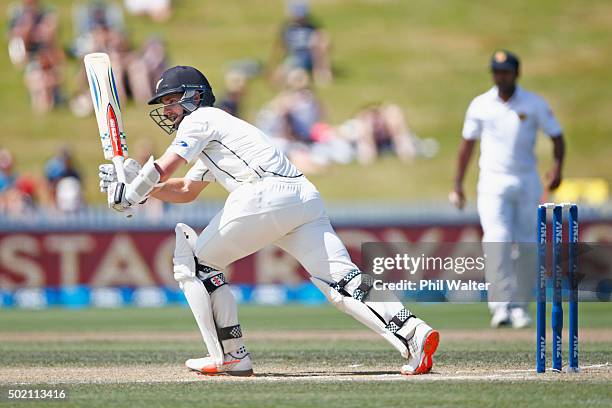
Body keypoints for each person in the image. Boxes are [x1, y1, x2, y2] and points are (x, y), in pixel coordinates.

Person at [98, 65, 439, 376]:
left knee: (194, 264)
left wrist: (132, 190)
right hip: (302, 196)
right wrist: (142, 189)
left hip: (265, 193)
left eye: (172, 100)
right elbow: (186, 188)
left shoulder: (200, 120)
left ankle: (229, 355)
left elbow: (164, 166)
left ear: (195, 95)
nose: (168, 109)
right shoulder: (221, 129)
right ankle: (414, 332)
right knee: (343, 281)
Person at [450, 50, 565, 328]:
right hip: (492, 180)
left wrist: (557, 169)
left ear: (516, 73)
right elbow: (467, 145)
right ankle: (500, 305)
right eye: (496, 72)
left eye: (505, 72)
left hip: (526, 179)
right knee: (497, 239)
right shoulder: (480, 105)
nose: (500, 77)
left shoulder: (533, 103)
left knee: (527, 243)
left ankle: (520, 306)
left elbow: (557, 137)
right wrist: (457, 183)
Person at [268, 0, 332, 86]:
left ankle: (320, 74)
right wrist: (277, 63)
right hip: (295, 57)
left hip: (311, 56)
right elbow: (281, 47)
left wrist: (321, 41)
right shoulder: (287, 27)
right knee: (279, 77)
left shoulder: (313, 26)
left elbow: (326, 42)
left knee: (318, 42)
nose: (300, 18)